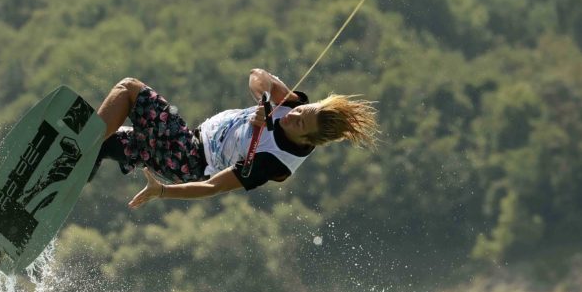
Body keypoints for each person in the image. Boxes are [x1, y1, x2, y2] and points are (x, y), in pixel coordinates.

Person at [93, 69, 378, 209]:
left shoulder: (274, 162)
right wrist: (264, 99)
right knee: (106, 143)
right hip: (187, 139)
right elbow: (258, 75)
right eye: (301, 110)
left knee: (130, 89)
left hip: (189, 159)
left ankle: (83, 144)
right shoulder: (292, 105)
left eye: (300, 122)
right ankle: (77, 164)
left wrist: (163, 191)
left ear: (308, 140)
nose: (294, 115)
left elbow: (212, 186)